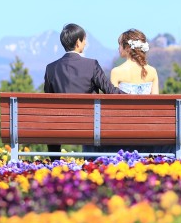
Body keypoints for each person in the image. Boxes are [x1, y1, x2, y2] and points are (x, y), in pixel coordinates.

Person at [110, 29, 181, 156]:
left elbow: (113, 106)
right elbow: (156, 104)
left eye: (119, 45)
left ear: (127, 47)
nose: (118, 48)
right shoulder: (152, 71)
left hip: (124, 127)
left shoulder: (116, 72)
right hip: (148, 127)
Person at [43, 23, 125, 155]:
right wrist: (132, 96)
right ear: (78, 42)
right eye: (84, 40)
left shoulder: (51, 68)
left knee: (52, 121)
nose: (86, 43)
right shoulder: (91, 65)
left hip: (60, 127)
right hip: (90, 126)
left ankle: (54, 161)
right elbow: (110, 91)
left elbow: (48, 98)